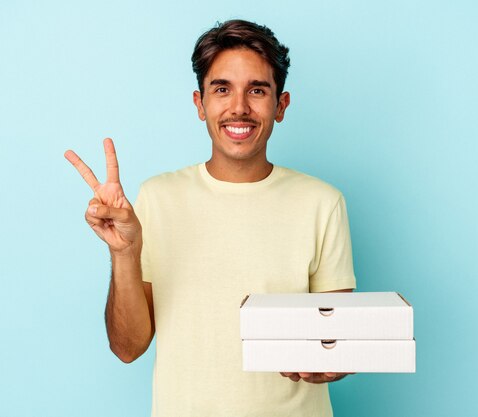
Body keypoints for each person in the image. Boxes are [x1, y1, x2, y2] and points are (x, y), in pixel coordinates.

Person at [65, 19, 356, 417]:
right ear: (200, 105)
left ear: (281, 105)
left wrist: (329, 366)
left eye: (257, 90)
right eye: (222, 89)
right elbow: (127, 348)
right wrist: (124, 253)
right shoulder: (156, 197)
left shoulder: (322, 202)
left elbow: (337, 345)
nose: (239, 107)